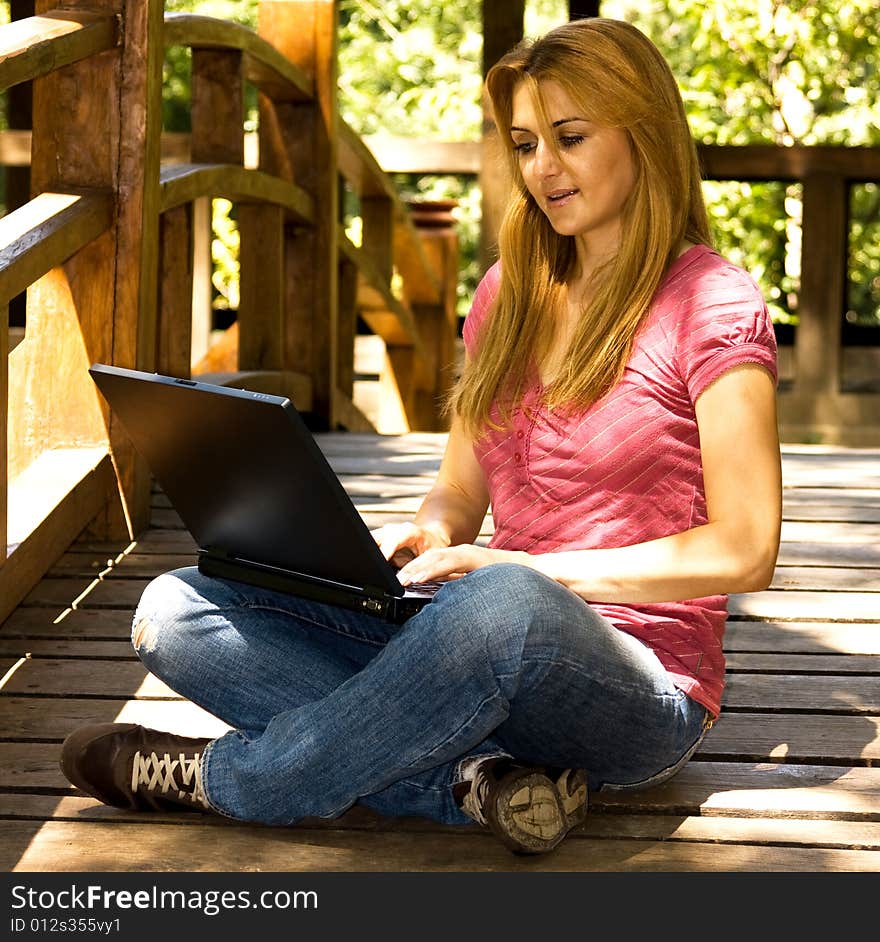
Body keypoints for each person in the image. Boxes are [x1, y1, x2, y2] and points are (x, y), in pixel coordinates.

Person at [59, 17, 781, 857]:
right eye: (524, 143)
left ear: (645, 133)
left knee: (502, 605)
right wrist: (428, 536)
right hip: (473, 632)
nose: (542, 167)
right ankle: (477, 782)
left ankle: (232, 782)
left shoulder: (713, 304)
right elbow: (462, 491)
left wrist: (527, 574)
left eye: (570, 137)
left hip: (636, 686)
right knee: (176, 607)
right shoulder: (509, 292)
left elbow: (746, 548)